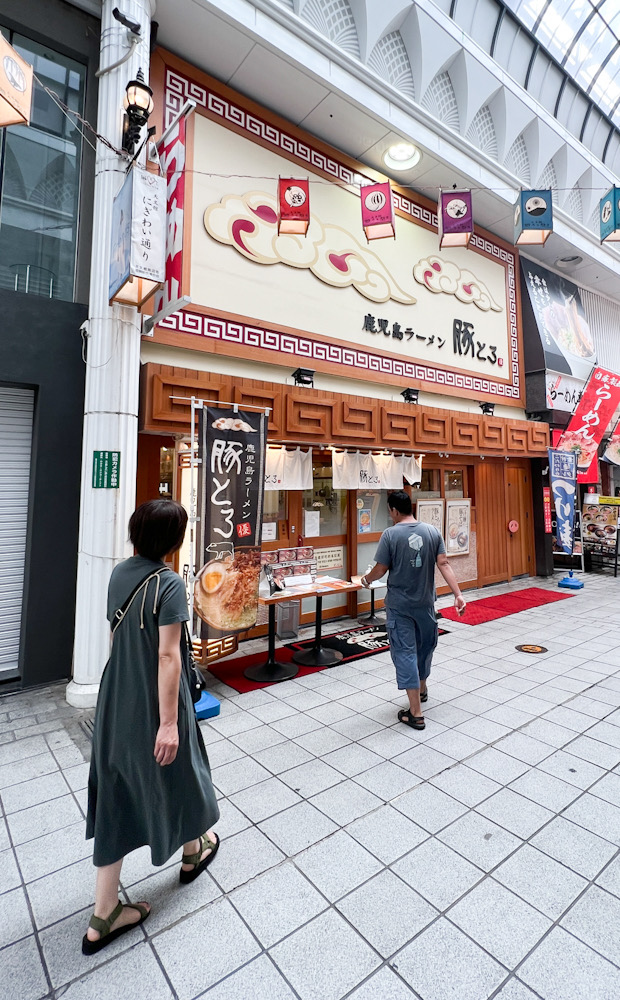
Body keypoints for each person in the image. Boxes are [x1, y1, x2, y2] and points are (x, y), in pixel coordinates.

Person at [83, 500, 220, 955]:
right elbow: (167, 656)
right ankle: (193, 848)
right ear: (174, 540)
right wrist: (168, 723)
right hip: (153, 701)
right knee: (180, 770)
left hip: (115, 696)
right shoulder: (169, 584)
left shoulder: (120, 573)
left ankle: (104, 912)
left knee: (117, 791)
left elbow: (115, 636)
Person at [360, 490, 466, 731]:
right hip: (426, 604)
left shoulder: (390, 534)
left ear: (395, 510)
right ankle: (422, 688)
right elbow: (444, 564)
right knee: (425, 646)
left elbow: (381, 569)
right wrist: (458, 595)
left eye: (390, 511)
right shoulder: (432, 531)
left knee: (405, 652)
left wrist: (366, 581)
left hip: (400, 607)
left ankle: (415, 713)